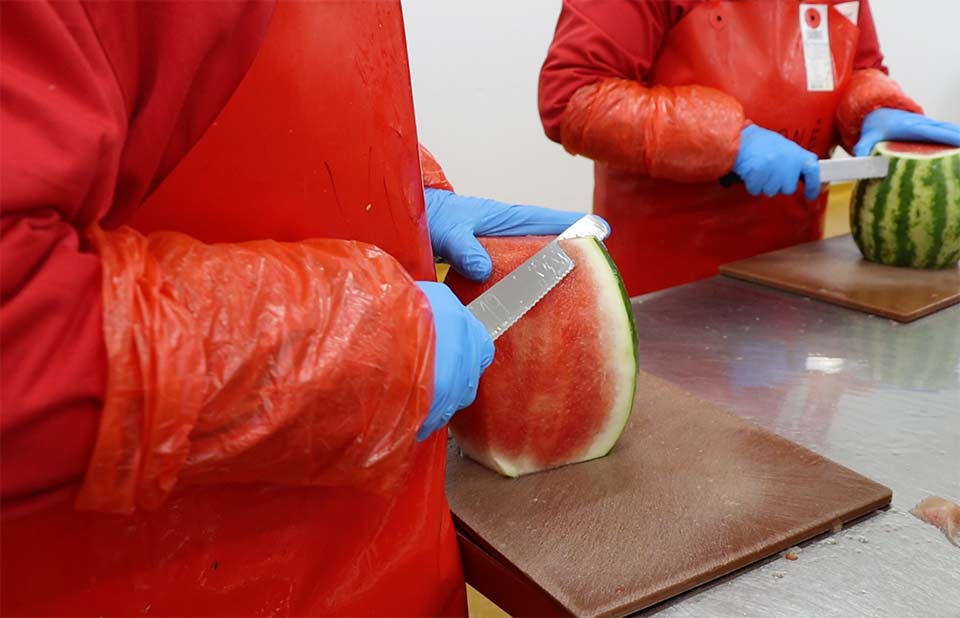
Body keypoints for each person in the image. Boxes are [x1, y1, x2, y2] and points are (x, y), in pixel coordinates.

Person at [0, 1, 584, 614]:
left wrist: (402, 187)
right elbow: (23, 334)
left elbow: (249, 103)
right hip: (174, 577)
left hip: (387, 554)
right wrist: (363, 344)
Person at [538, 0, 960, 296]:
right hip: (666, 285)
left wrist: (872, 107)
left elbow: (856, 66)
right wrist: (727, 139)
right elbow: (574, 97)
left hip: (793, 269)